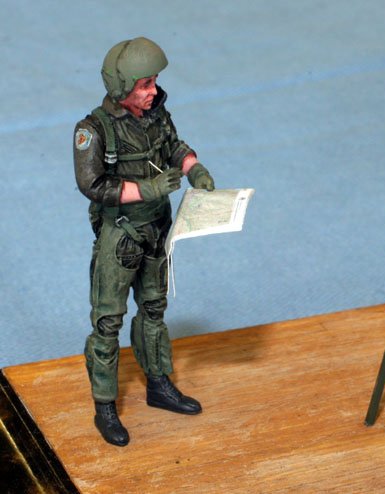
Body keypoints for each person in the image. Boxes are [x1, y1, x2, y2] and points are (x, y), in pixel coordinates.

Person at [73, 37, 214, 446]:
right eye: (145, 84)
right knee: (107, 322)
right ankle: (104, 405)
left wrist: (194, 168)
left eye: (154, 82)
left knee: (153, 309)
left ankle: (158, 383)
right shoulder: (93, 130)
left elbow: (173, 146)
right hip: (120, 235)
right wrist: (147, 189)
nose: (153, 91)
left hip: (156, 231)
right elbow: (92, 184)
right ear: (122, 87)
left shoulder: (156, 114)